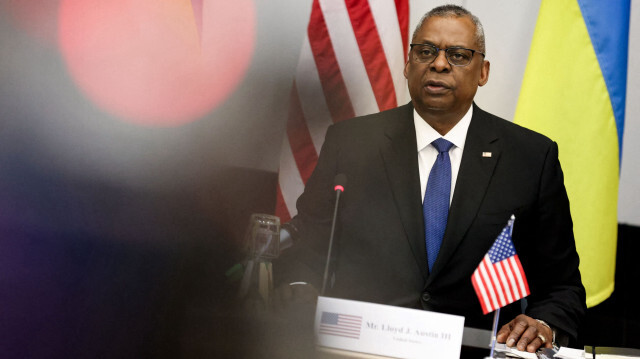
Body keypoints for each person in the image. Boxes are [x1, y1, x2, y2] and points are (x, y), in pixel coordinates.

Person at [277, 4, 586, 354]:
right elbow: (307, 250)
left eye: (458, 55)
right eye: (425, 52)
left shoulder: (530, 158)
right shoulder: (351, 144)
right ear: (408, 64)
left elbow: (562, 288)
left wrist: (543, 323)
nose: (438, 64)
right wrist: (300, 290)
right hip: (360, 349)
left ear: (483, 72)